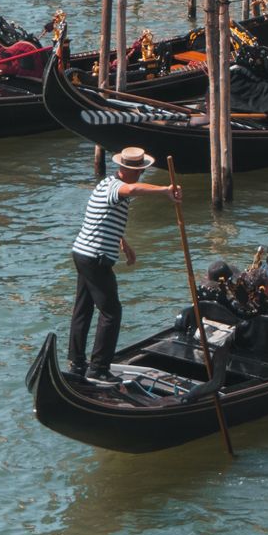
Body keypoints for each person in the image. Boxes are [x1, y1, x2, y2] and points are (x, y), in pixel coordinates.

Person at [68, 145, 182, 383]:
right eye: (140, 171)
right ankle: (98, 368)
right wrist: (165, 190)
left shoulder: (105, 185)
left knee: (84, 308)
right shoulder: (119, 187)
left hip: (82, 252)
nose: (141, 174)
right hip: (95, 258)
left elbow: (104, 218)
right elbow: (132, 189)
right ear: (129, 169)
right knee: (111, 312)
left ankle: (77, 363)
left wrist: (123, 243)